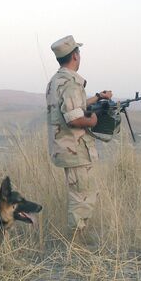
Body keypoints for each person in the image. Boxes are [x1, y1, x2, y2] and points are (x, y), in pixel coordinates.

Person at [45, 35, 113, 243]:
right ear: (75, 55)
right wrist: (93, 120)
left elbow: (73, 104)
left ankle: (77, 240)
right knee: (82, 198)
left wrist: (97, 98)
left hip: (65, 148)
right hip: (76, 149)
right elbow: (74, 118)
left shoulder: (57, 81)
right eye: (79, 53)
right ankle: (75, 245)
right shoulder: (72, 83)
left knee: (83, 193)